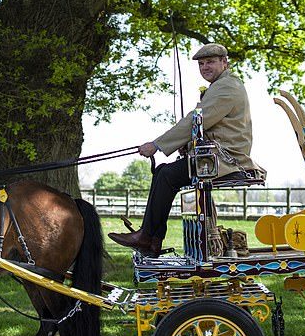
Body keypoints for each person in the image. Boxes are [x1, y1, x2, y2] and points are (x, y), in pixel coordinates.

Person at [108, 44, 263, 256]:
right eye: (201, 64)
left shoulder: (227, 87)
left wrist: (157, 144)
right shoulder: (221, 85)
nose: (205, 67)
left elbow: (197, 120)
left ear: (224, 63)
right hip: (212, 156)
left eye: (210, 62)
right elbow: (205, 125)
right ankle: (151, 240)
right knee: (163, 171)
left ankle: (148, 237)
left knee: (168, 175)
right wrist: (186, 144)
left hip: (225, 159)